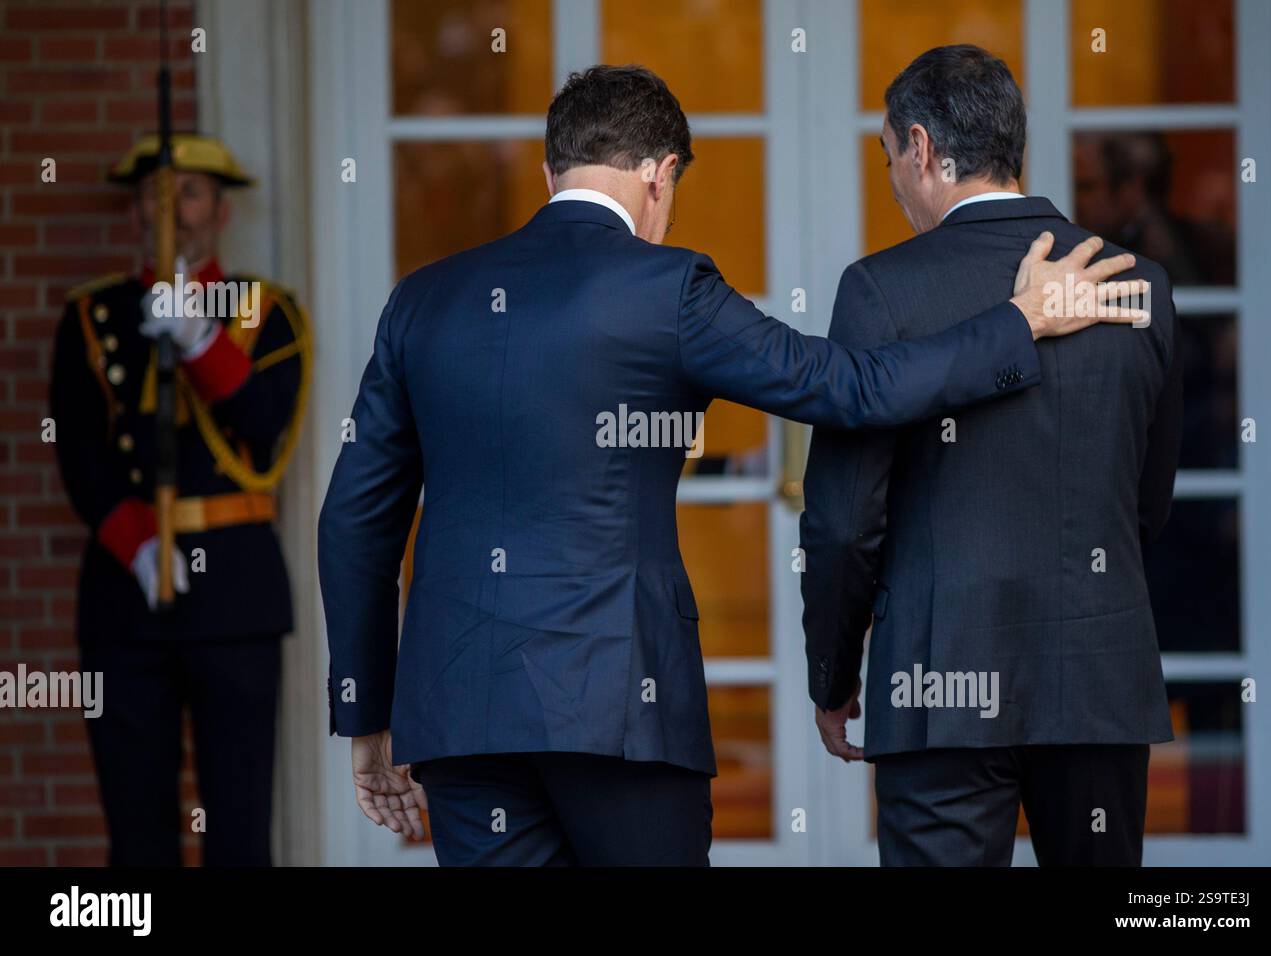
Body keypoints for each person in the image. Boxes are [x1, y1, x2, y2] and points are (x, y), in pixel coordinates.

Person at [318, 64, 1145, 867]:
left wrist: (366, 713)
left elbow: (354, 518)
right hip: (621, 708)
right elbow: (851, 387)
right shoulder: (668, 288)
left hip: (463, 720)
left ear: (550, 170)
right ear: (660, 173)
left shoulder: (423, 300)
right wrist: (1017, 322)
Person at [800, 45, 1181, 866]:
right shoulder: (1137, 285)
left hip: (939, 689)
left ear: (923, 149)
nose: (895, 180)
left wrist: (832, 674)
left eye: (891, 157)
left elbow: (842, 522)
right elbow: (1147, 505)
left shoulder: (879, 290)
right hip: (1097, 681)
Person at [49, 133, 311, 865]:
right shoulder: (93, 316)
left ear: (222, 212)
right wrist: (137, 545)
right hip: (125, 593)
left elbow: (264, 428)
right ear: (134, 211)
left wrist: (199, 339)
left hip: (234, 591)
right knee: (136, 830)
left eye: (189, 192)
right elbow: (80, 452)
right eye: (154, 194)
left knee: (238, 823)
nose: (171, 209)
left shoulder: (264, 311)